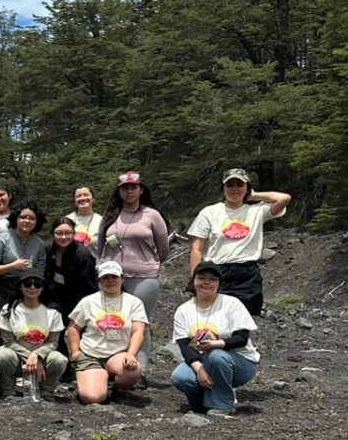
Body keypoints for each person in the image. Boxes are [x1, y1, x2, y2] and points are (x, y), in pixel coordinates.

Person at [187, 168, 290, 315]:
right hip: (217, 271)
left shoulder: (257, 211)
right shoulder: (209, 212)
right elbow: (197, 248)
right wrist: (195, 278)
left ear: (247, 187)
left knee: (245, 320)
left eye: (239, 185)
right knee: (214, 318)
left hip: (247, 273)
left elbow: (284, 198)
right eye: (229, 185)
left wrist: (254, 196)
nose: (234, 189)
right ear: (223, 188)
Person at [94, 171, 169, 372]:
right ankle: (111, 366)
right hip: (112, 277)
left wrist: (149, 264)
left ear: (141, 190)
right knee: (110, 320)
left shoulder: (152, 215)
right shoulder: (110, 216)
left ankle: (139, 369)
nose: (129, 192)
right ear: (119, 191)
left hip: (144, 278)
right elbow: (101, 246)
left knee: (139, 323)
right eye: (125, 188)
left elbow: (163, 248)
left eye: (133, 188)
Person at [170, 261, 260, 417]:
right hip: (203, 361)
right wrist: (199, 369)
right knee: (180, 376)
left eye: (212, 279)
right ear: (193, 281)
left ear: (220, 283)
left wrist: (215, 344)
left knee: (216, 355)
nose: (206, 282)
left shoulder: (232, 304)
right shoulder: (183, 310)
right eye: (202, 278)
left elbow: (242, 338)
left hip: (239, 361)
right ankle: (203, 404)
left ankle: (224, 404)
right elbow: (185, 346)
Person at [67, 261, 147, 405]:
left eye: (114, 277)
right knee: (92, 398)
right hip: (91, 352)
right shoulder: (88, 301)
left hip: (118, 353)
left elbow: (139, 331)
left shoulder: (134, 302)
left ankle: (120, 390)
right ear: (99, 281)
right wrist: (75, 351)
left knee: (134, 370)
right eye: (106, 277)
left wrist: (131, 354)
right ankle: (96, 379)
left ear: (122, 279)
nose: (110, 281)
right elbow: (73, 327)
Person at [0, 273, 67, 397]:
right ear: (20, 287)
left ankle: (47, 391)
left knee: (59, 359)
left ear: (42, 288)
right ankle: (8, 390)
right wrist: (31, 357)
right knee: (3, 355)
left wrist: (37, 355)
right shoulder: (8, 310)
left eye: (37, 284)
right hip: (16, 359)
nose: (32, 288)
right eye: (27, 284)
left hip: (42, 360)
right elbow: (8, 342)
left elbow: (53, 342)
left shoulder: (53, 312)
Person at [0, 201, 48, 302]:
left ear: (37, 221)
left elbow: (40, 271)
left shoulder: (39, 243)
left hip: (28, 286)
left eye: (32, 218)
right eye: (23, 217)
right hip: (2, 286)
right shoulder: (3, 238)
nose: (27, 221)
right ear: (16, 219)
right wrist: (12, 266)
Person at [44, 218, 98, 321]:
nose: (63, 237)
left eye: (68, 233)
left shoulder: (82, 254)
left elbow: (88, 286)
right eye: (59, 233)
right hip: (54, 294)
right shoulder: (47, 248)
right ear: (52, 234)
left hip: (77, 296)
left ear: (74, 234)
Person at [66, 187, 102, 253]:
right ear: (74, 201)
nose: (82, 198)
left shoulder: (102, 221)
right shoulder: (66, 220)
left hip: (95, 262)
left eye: (86, 195)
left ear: (93, 199)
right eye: (78, 196)